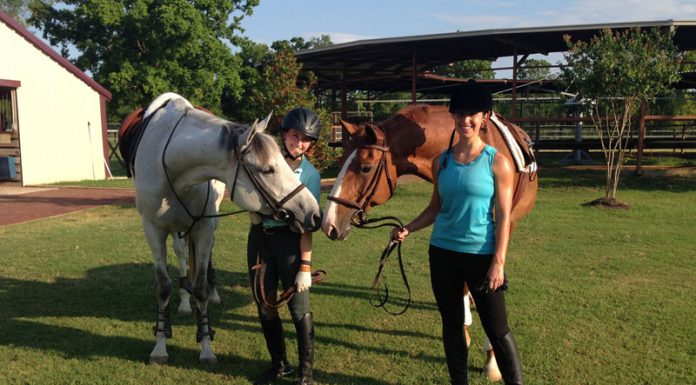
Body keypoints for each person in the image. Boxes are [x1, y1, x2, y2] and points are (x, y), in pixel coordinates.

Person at [391, 80, 523, 385]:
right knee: (452, 325)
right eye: (460, 113)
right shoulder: (442, 162)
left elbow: (503, 217)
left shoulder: (498, 163)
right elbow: (436, 207)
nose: (465, 120)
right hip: (442, 255)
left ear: (484, 116)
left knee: (498, 329)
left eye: (472, 114)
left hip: (481, 255)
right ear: (453, 116)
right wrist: (408, 229)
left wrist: (498, 262)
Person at [247, 107, 322, 385]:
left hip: (291, 243)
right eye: (295, 135)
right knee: (265, 305)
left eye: (306, 139)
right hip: (259, 239)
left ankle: (306, 374)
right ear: (284, 134)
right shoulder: (264, 161)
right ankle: (279, 365)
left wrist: (305, 266)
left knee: (298, 309)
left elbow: (307, 226)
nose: (299, 143)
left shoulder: (310, 176)